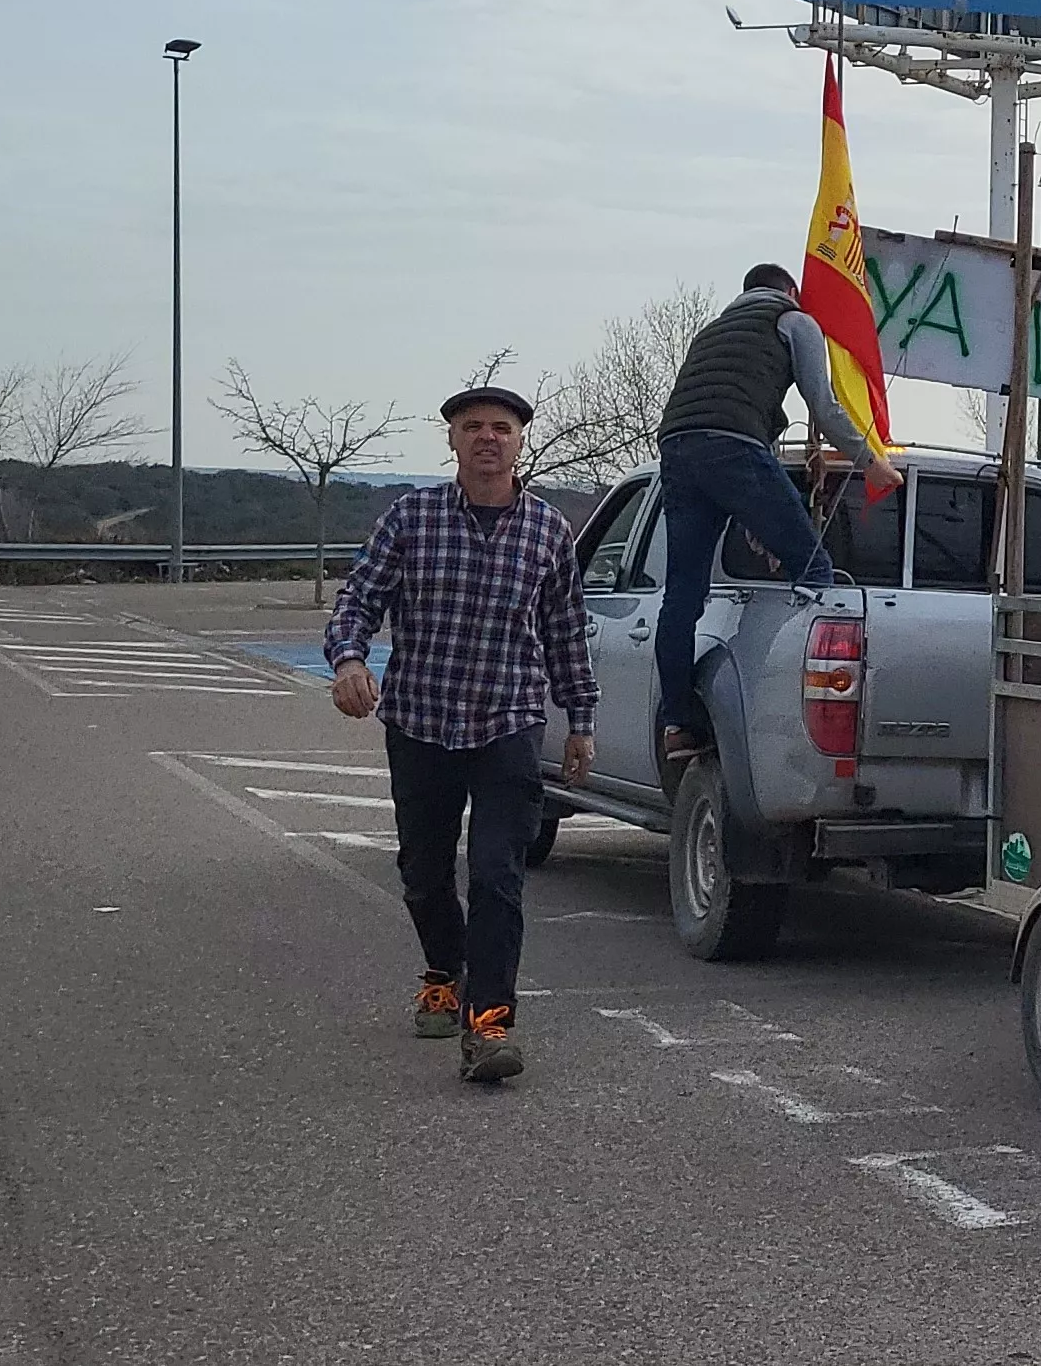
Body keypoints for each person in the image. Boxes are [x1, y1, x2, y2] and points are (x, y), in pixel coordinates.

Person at [324, 384, 597, 1084]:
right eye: (472, 427)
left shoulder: (547, 531)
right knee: (424, 872)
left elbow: (565, 632)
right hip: (422, 720)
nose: (487, 438)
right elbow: (359, 597)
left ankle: (491, 1022)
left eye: (500, 428)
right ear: (451, 441)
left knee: (499, 874)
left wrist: (581, 722)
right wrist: (350, 657)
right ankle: (444, 972)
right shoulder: (410, 519)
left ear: (519, 442)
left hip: (508, 722)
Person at [653, 263, 904, 760]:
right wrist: (871, 465)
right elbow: (824, 405)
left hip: (676, 450)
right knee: (813, 567)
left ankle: (679, 723)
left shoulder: (712, 333)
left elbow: (719, 417)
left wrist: (751, 515)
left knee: (682, 595)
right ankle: (798, 701)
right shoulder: (793, 321)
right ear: (790, 291)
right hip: (733, 444)